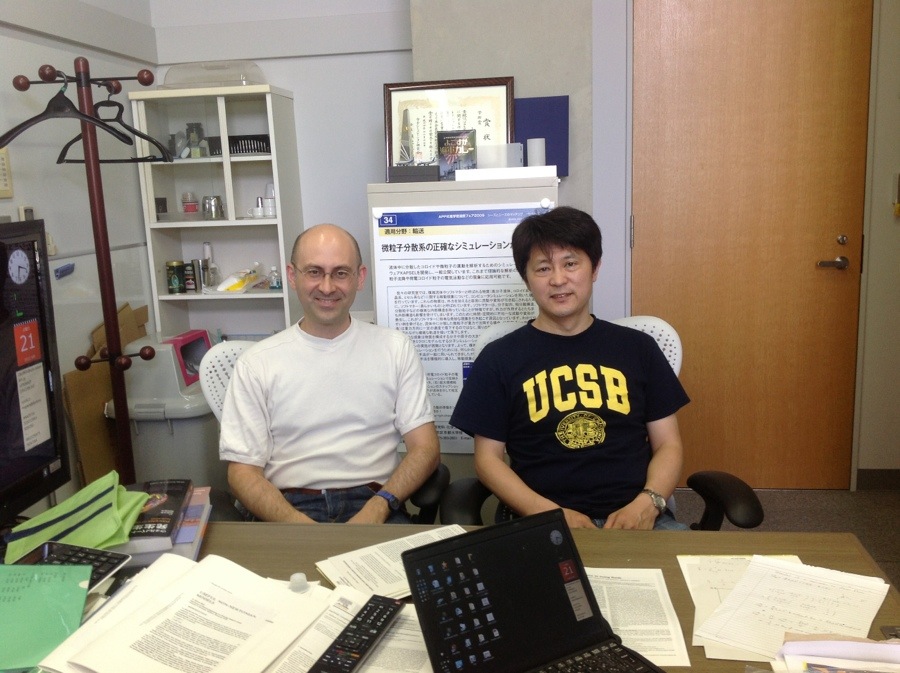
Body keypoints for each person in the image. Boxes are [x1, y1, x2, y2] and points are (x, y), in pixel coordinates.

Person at [450, 206, 689, 530]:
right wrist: (548, 514)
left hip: (637, 515)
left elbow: (668, 444)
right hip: (540, 520)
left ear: (595, 268)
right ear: (526, 279)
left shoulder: (639, 348)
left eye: (571, 264)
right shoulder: (498, 359)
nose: (558, 279)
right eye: (543, 268)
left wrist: (649, 504)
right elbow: (487, 460)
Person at [219, 223, 440, 524]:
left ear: (359, 277)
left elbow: (425, 448)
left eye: (340, 273)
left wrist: (378, 508)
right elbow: (242, 472)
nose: (326, 287)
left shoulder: (395, 349)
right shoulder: (257, 363)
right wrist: (298, 526)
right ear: (292, 276)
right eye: (314, 272)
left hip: (377, 503)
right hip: (287, 508)